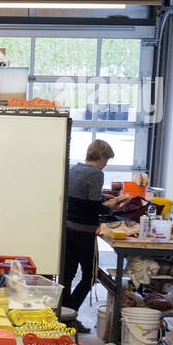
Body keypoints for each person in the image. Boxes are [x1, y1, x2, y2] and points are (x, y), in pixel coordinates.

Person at [61, 140, 116, 329]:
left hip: (68, 229)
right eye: (106, 160)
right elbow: (93, 207)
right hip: (84, 232)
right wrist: (110, 206)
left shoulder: (74, 169)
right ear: (101, 157)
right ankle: (70, 313)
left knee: (67, 275)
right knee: (90, 276)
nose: (105, 164)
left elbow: (79, 199)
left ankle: (63, 317)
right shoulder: (96, 174)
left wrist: (101, 199)